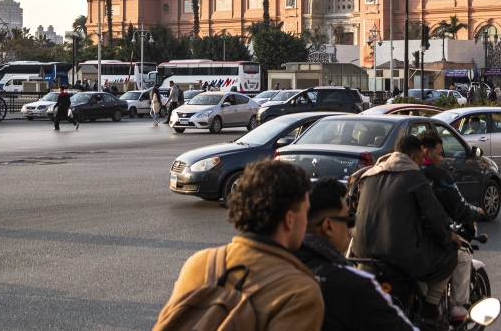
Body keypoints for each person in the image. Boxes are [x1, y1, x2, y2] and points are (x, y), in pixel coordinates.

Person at [159, 160, 324, 331]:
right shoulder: (299, 292)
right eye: (305, 212)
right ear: (289, 219)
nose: (307, 221)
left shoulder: (199, 263)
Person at [351, 135, 458, 323]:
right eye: (420, 158)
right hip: (399, 256)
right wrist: (448, 236)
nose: (421, 163)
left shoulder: (368, 175)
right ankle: (430, 309)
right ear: (413, 156)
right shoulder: (415, 177)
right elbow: (435, 216)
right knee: (450, 252)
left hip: (361, 253)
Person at [294, 177, 417, 331]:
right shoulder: (357, 286)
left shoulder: (276, 269)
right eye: (348, 219)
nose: (350, 230)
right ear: (328, 226)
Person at [420, 131, 483, 322]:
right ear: (425, 152)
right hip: (421, 242)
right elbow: (458, 209)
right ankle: (457, 306)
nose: (441, 159)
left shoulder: (398, 175)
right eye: (439, 154)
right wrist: (476, 213)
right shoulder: (436, 176)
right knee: (461, 252)